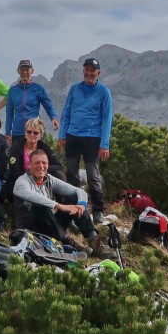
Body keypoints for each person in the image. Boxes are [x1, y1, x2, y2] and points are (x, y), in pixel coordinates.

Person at [12, 149, 106, 255]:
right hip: (30, 229)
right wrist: (59, 206)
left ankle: (94, 240)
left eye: (44, 163)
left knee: (73, 198)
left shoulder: (49, 179)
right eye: (37, 163)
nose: (41, 166)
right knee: (40, 206)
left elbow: (78, 191)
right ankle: (68, 243)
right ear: (29, 165)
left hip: (50, 225)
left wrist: (82, 204)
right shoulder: (21, 182)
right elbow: (33, 197)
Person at [58, 57, 113, 223]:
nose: (89, 73)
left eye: (92, 70)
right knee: (72, 173)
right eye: (86, 70)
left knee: (92, 176)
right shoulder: (75, 89)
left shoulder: (104, 92)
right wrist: (62, 135)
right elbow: (66, 112)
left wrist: (104, 144)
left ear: (98, 73)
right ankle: (75, 207)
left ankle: (98, 211)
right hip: (73, 136)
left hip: (92, 138)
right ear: (83, 71)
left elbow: (107, 119)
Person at [1, 117, 64, 202]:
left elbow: (58, 166)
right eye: (29, 132)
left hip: (40, 182)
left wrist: (42, 169)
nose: (32, 135)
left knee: (59, 175)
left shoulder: (44, 147)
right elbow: (14, 173)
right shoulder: (16, 148)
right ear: (25, 133)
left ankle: (63, 206)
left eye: (35, 133)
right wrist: (35, 171)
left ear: (41, 135)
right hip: (20, 184)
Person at [5, 59, 58, 149]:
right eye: (22, 70)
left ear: (32, 71)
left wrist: (53, 117)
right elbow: (9, 112)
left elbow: (47, 105)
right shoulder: (12, 90)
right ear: (18, 71)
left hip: (34, 131)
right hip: (18, 132)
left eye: (27, 70)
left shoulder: (38, 88)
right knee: (18, 160)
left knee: (36, 158)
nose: (25, 72)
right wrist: (7, 132)